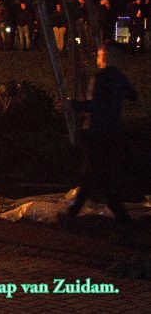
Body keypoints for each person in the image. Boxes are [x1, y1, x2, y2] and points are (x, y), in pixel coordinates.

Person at [62, 44, 137, 225]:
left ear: (105, 57)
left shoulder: (101, 78)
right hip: (113, 133)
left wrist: (73, 105)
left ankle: (124, 220)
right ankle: (71, 216)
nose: (97, 58)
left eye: (99, 55)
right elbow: (132, 95)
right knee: (94, 176)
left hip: (97, 133)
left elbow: (96, 105)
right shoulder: (120, 78)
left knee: (96, 176)